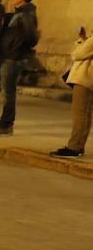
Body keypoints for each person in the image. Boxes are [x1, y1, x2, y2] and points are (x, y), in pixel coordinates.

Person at [0, 0, 39, 136]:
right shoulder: (19, 14)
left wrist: (14, 47)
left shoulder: (26, 15)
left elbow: (32, 37)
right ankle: (5, 124)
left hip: (13, 58)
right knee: (6, 92)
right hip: (9, 56)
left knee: (8, 93)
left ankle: (5, 125)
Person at [52, 26, 93, 158]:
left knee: (79, 114)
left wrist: (81, 40)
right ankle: (79, 145)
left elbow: (76, 54)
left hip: (84, 78)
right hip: (88, 78)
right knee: (85, 114)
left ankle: (74, 147)